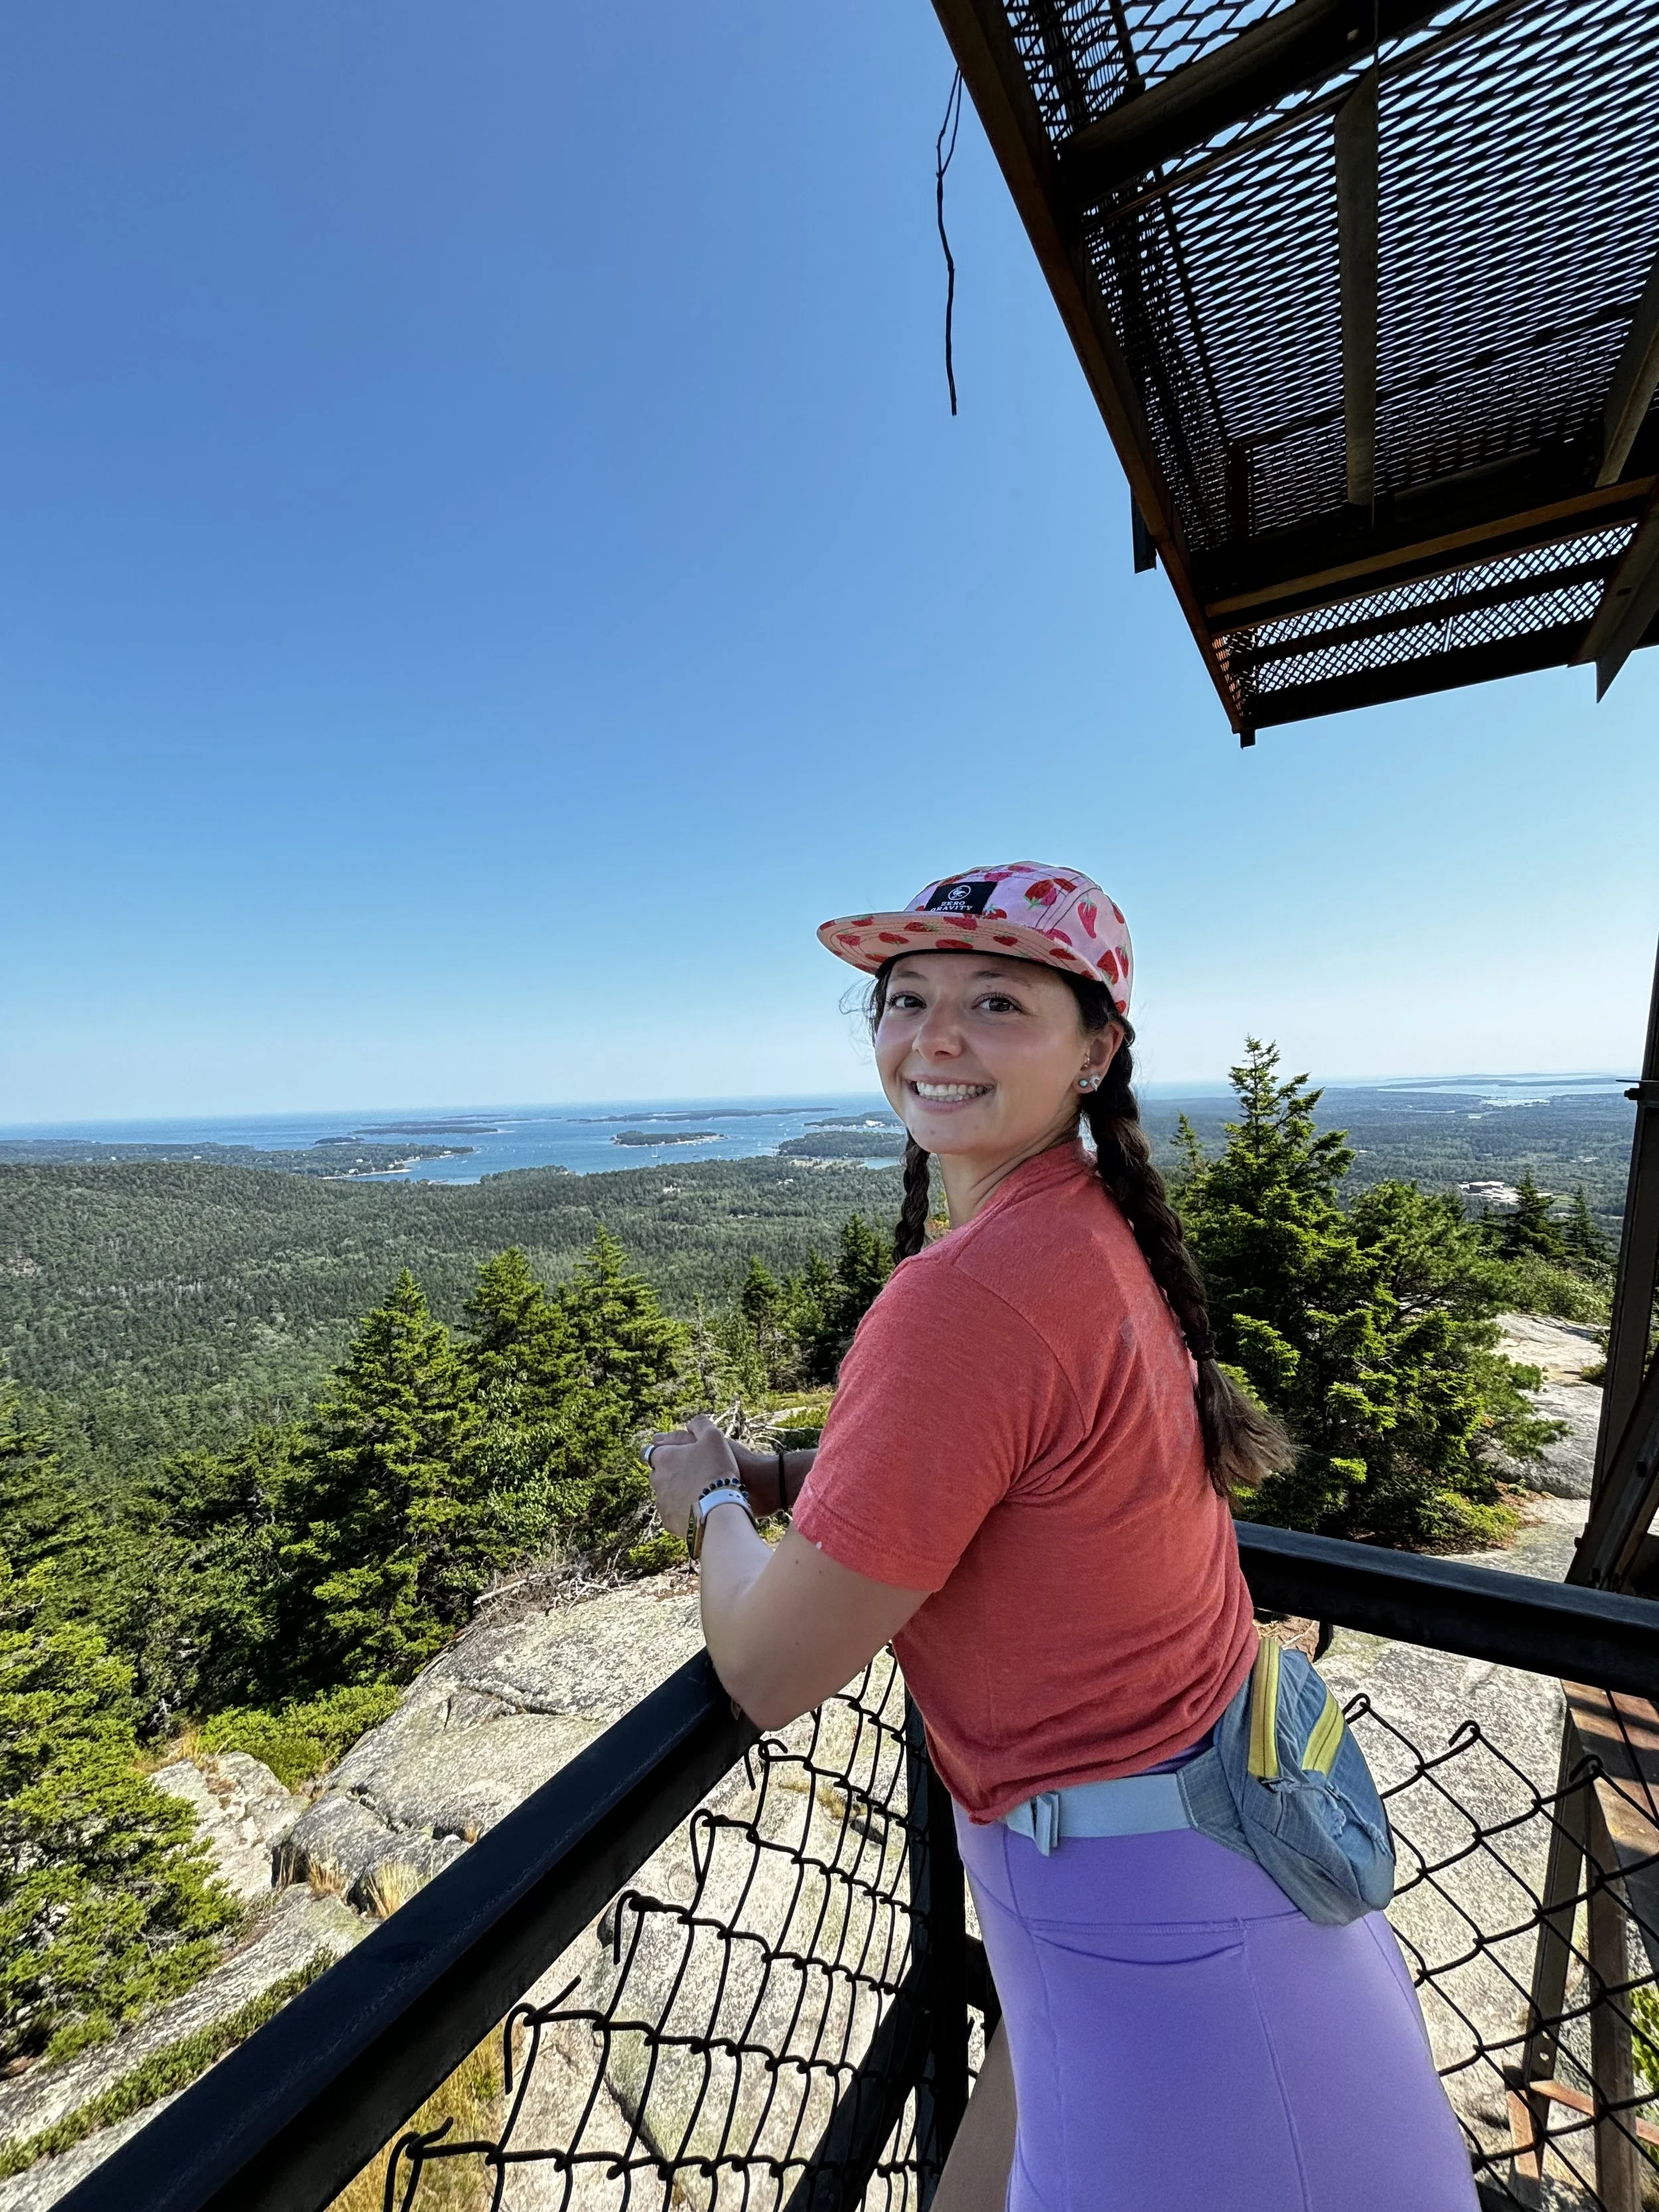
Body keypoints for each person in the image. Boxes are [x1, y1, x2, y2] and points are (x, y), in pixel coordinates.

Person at [645, 862, 1477, 2211]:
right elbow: (1022, 1471)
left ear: (1095, 1047)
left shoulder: (966, 1292)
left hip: (1147, 1921)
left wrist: (714, 1501)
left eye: (994, 999)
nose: (933, 1035)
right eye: (902, 998)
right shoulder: (1088, 1229)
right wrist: (798, 1466)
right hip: (1220, 1851)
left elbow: (766, 1665)